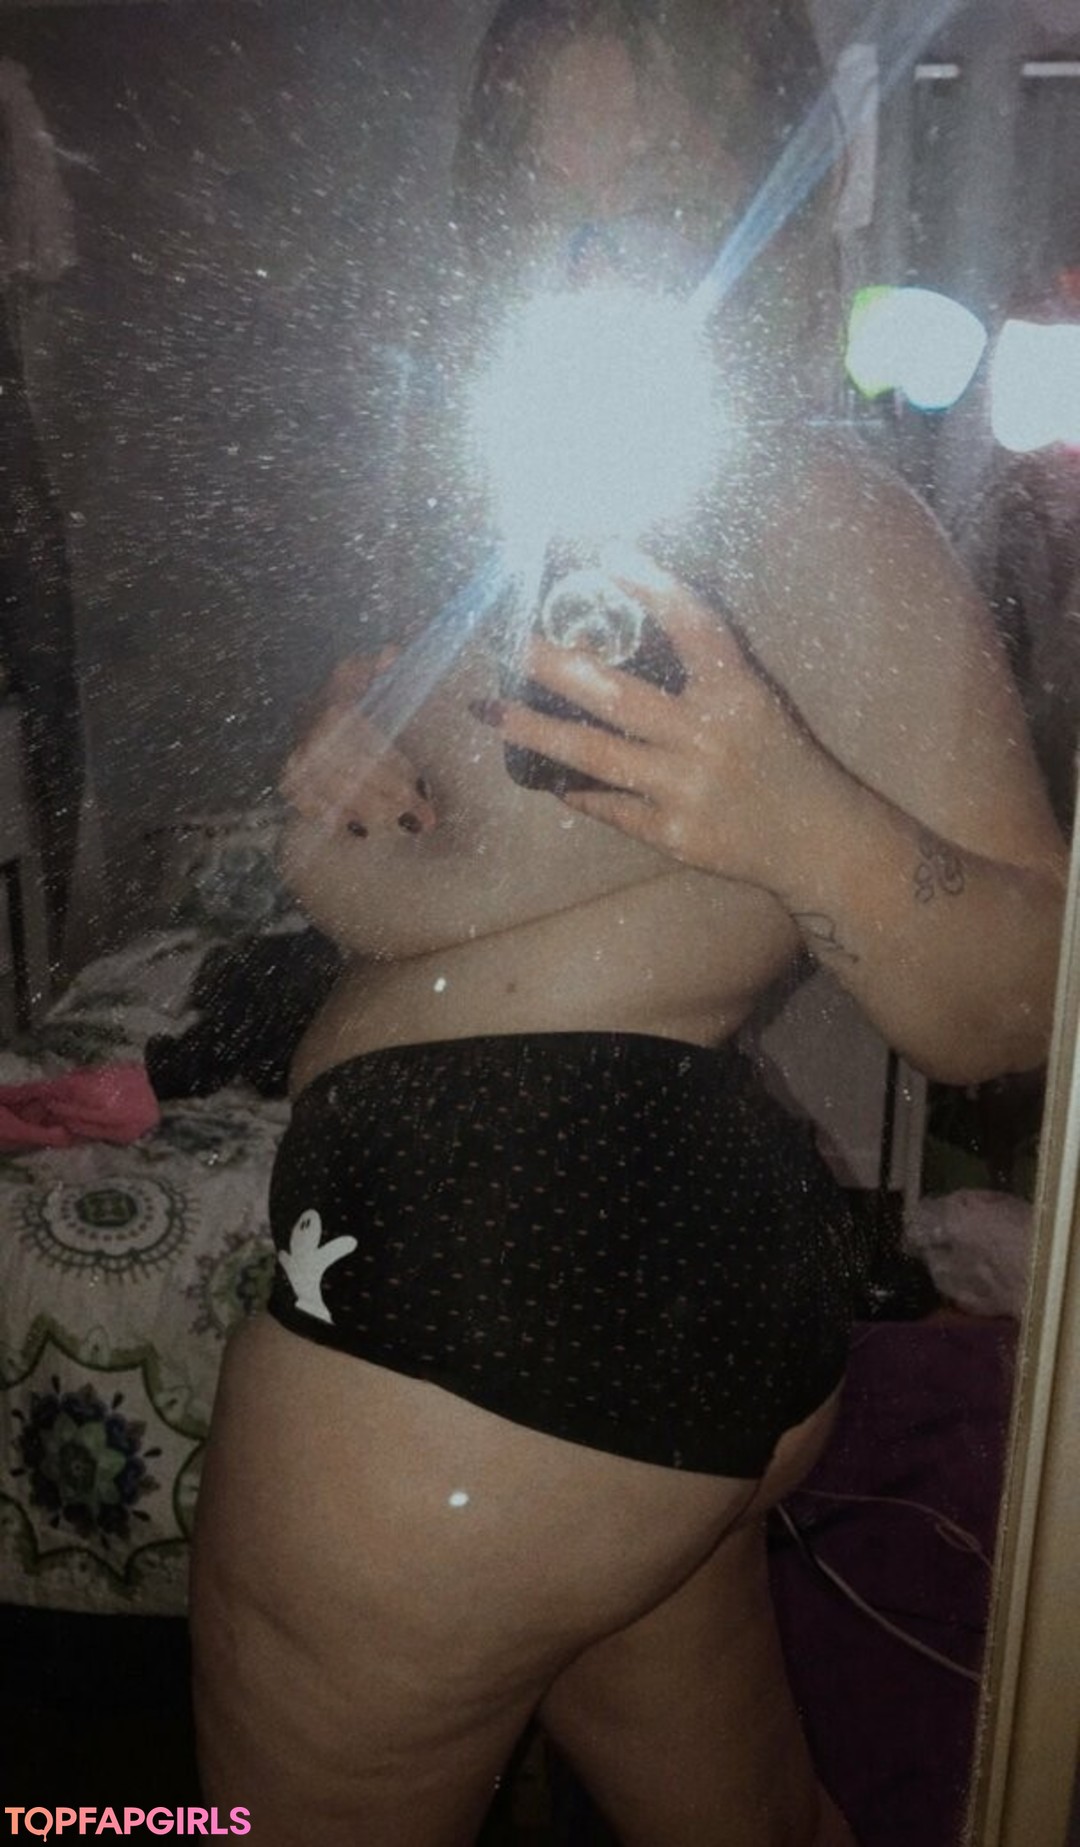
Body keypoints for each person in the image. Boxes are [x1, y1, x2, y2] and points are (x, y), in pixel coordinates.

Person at [190, 4, 1067, 1844]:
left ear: (768, 211)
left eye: (656, 195)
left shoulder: (818, 519)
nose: (588, 252)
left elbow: (1023, 1006)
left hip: (483, 1342)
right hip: (593, 1343)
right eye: (543, 195)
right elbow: (431, 887)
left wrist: (796, 816)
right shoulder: (540, 508)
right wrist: (342, 775)